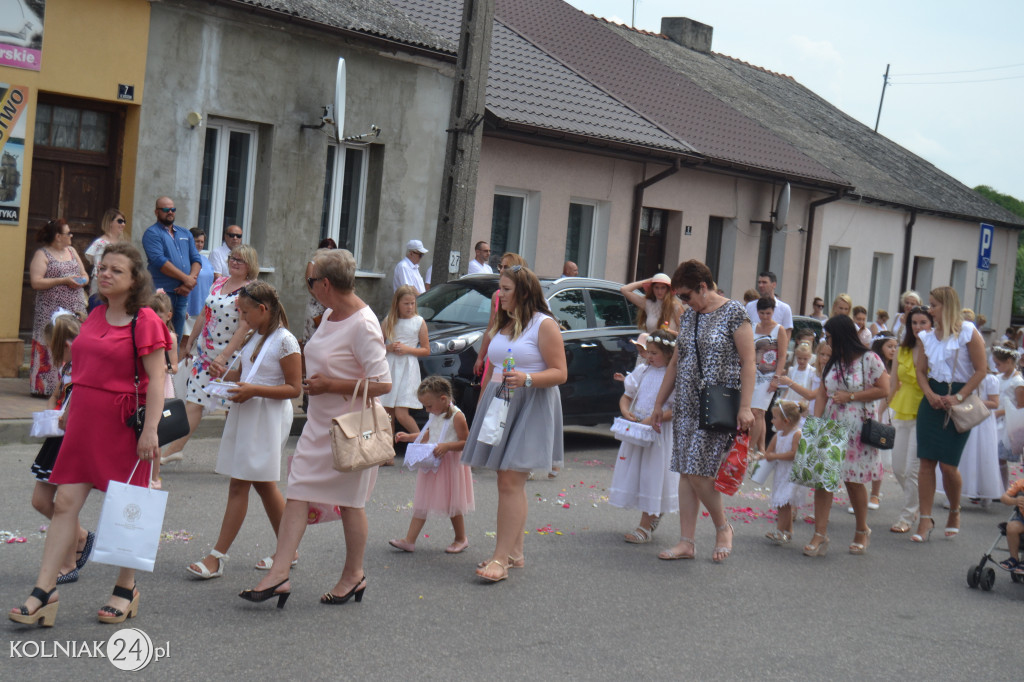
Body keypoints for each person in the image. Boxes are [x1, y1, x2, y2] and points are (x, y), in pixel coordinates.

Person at [9, 243, 171, 627]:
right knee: (65, 501)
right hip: (83, 422)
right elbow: (82, 368)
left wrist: (150, 432)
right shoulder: (96, 314)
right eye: (103, 268)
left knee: (126, 507)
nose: (105, 273)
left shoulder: (145, 320)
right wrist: (67, 409)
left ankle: (126, 588)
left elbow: (158, 380)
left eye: (116, 270)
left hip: (123, 425)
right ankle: (44, 591)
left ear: (135, 281)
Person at [240, 249, 391, 608]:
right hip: (319, 423)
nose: (309, 288)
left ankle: (354, 575)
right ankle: (279, 573)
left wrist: (332, 385)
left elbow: (383, 384)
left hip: (350, 429)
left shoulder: (364, 323)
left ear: (325, 284)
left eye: (311, 281)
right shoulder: (329, 315)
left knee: (350, 504)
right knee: (298, 490)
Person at [186, 282, 301, 580]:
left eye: (246, 313)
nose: (242, 320)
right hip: (248, 412)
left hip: (267, 417)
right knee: (263, 485)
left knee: (241, 485)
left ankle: (217, 557)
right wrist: (222, 375)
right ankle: (290, 550)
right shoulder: (256, 335)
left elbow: (294, 388)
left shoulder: (285, 341)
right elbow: (245, 373)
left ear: (263, 309)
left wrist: (253, 390)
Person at [461, 264, 567, 582]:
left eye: (506, 289)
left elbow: (560, 372)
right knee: (506, 482)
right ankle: (515, 552)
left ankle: (500, 558)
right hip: (500, 400)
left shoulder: (543, 325)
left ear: (523, 291)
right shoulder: (505, 323)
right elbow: (495, 366)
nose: (500, 294)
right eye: (500, 288)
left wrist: (528, 378)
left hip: (531, 403)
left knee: (510, 482)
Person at [651, 259, 755, 563]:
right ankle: (687, 542)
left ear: (704, 287)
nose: (683, 302)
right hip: (686, 404)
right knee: (686, 471)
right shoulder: (690, 316)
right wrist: (660, 401)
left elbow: (749, 362)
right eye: (680, 297)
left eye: (687, 295)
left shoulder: (734, 312)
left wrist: (746, 407)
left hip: (716, 403)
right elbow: (676, 360)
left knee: (698, 471)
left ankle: (724, 527)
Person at [160, 245, 257, 467]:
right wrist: (190, 341)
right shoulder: (219, 282)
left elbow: (244, 327)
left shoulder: (249, 291)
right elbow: (205, 312)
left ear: (250, 265)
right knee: (194, 402)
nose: (234, 262)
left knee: (232, 409)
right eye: (232, 258)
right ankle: (174, 449)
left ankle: (237, 459)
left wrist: (224, 357)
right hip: (205, 356)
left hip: (230, 357)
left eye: (240, 260)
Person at [803, 315, 889, 557]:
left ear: (840, 335)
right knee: (823, 480)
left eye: (829, 337)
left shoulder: (869, 358)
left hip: (857, 427)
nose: (826, 342)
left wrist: (851, 396)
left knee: (853, 480)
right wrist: (816, 424)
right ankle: (820, 534)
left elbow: (884, 389)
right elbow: (822, 392)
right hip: (831, 424)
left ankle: (862, 529)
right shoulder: (834, 360)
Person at [912, 286, 988, 542]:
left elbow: (981, 370)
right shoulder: (927, 337)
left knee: (948, 465)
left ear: (947, 306)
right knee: (926, 462)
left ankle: (954, 511)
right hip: (932, 400)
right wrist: (930, 395)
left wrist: (958, 396)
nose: (930, 309)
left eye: (934, 305)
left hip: (959, 399)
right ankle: (925, 520)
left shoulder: (967, 332)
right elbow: (921, 371)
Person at [27, 312, 94, 586]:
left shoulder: (87, 368)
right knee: (40, 501)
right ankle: (79, 535)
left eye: (54, 347)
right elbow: (57, 394)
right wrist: (50, 413)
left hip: (74, 440)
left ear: (67, 344)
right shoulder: (67, 367)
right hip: (58, 436)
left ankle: (67, 563)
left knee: (65, 502)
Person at [608, 330, 679, 544]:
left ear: (668, 354)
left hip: (658, 432)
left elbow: (676, 409)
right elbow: (627, 395)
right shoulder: (642, 370)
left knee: (652, 474)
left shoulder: (673, 375)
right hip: (639, 429)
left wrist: (655, 419)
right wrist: (625, 411)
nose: (648, 357)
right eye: (648, 352)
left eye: (654, 353)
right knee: (638, 472)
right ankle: (653, 514)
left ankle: (645, 525)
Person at [389, 377, 474, 553]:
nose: (427, 410)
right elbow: (429, 434)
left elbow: (467, 442)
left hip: (450, 464)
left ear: (443, 399)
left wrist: (448, 446)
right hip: (433, 462)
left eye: (428, 406)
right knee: (422, 502)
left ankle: (460, 538)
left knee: (453, 502)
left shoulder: (457, 416)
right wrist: (409, 437)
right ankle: (409, 540)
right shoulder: (436, 413)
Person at [28, 218, 88, 396]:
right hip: (50, 309)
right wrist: (63, 280)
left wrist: (82, 280)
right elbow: (36, 282)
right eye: (68, 233)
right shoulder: (43, 254)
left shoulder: (72, 250)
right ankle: (44, 388)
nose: (71, 235)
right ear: (57, 236)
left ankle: (71, 384)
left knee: (73, 343)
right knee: (50, 344)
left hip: (74, 307)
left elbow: (84, 273)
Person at [887, 306, 931, 533]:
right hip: (901, 409)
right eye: (914, 323)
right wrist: (882, 411)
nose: (918, 327)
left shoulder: (935, 349)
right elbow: (893, 383)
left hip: (924, 411)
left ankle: (907, 515)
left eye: (923, 322)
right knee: (897, 467)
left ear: (932, 324)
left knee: (912, 468)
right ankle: (919, 506)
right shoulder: (902, 350)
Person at [141, 196, 201, 338]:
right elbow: (159, 262)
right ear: (156, 212)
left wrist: (189, 283)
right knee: (157, 334)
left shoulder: (185, 233)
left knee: (176, 336)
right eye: (166, 209)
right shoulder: (152, 233)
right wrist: (187, 279)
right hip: (161, 293)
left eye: (173, 209)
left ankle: (173, 360)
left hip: (182, 293)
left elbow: (196, 258)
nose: (170, 212)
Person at [944, 370, 1001, 508]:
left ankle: (985, 492)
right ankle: (953, 496)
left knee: (983, 455)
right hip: (965, 417)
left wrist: (970, 399)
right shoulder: (962, 375)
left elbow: (995, 403)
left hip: (982, 421)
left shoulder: (990, 379)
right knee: (962, 456)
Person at [380, 285, 429, 443]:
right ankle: (388, 453)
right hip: (390, 367)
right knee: (387, 413)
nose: (409, 307)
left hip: (408, 369)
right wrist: (389, 347)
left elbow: (426, 350)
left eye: (412, 303)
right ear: (397, 304)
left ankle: (423, 441)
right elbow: (377, 346)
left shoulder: (419, 322)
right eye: (406, 304)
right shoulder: (389, 321)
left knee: (402, 413)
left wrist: (408, 349)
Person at [473, 253, 528, 388]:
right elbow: (491, 328)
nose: (502, 270)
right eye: (500, 267)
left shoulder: (526, 300)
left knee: (503, 386)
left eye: (506, 267)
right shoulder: (496, 296)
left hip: (512, 354)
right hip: (495, 352)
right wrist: (480, 357)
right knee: (487, 387)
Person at [760, 399, 808, 545]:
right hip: (781, 473)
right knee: (784, 502)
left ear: (786, 420)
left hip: (791, 473)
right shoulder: (778, 435)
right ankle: (788, 531)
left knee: (784, 503)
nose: (772, 421)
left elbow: (794, 454)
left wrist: (775, 456)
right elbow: (768, 452)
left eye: (775, 418)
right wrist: (764, 456)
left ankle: (780, 531)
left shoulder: (796, 434)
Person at [861, 331, 897, 511]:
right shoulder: (872, 364)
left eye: (894, 347)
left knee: (880, 452)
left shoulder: (896, 367)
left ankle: (875, 493)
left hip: (888, 408)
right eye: (889, 346)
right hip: (873, 405)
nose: (893, 350)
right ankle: (860, 492)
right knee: (864, 449)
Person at [146, 291, 179, 489]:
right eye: (152, 312)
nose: (155, 317)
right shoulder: (145, 333)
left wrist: (162, 367)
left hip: (162, 386)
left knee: (155, 435)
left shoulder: (171, 338)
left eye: (159, 313)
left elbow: (174, 366)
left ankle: (155, 476)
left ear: (168, 315)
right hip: (147, 383)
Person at [750, 296, 789, 454]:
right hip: (752, 374)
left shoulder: (779, 329)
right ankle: (761, 448)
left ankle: (748, 448)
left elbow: (783, 356)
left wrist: (776, 378)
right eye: (762, 313)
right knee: (758, 412)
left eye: (768, 313)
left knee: (757, 412)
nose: (765, 317)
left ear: (773, 312)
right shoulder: (753, 327)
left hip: (768, 375)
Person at [993, 344, 1024, 491]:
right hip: (995, 419)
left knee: (1001, 457)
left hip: (1007, 422)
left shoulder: (1018, 382)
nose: (996, 367)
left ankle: (1003, 487)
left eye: (999, 364)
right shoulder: (998, 377)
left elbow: (1020, 405)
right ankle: (993, 485)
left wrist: (1001, 412)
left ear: (1009, 362)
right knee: (992, 454)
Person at [84, 208, 126, 305]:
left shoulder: (123, 243)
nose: (123, 224)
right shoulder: (100, 243)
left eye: (124, 221)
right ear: (110, 222)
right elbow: (98, 268)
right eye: (119, 221)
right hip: (102, 288)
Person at [620, 273, 685, 334]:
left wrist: (669, 332)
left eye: (663, 288)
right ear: (652, 289)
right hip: (650, 345)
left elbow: (684, 334)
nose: (659, 291)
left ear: (668, 289)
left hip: (670, 345)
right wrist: (649, 280)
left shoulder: (676, 307)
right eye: (656, 287)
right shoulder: (648, 304)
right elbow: (624, 289)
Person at [182, 228, 215, 344]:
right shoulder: (184, 259)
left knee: (198, 345)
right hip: (189, 310)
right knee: (185, 343)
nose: (200, 244)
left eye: (202, 242)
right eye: (197, 241)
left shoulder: (205, 260)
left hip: (203, 311)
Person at [776, 341, 818, 414]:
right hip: (790, 399)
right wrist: (783, 400)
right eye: (799, 358)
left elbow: (811, 388)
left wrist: (803, 402)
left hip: (803, 401)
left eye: (805, 359)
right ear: (796, 356)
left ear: (810, 357)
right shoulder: (791, 370)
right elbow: (787, 388)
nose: (801, 361)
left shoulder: (812, 372)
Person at [996, 476, 1024, 573]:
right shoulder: (1021, 483)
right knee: (1011, 527)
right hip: (1022, 520)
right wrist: (1015, 501)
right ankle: (1014, 558)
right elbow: (1004, 497)